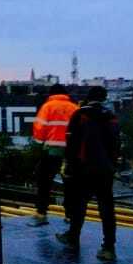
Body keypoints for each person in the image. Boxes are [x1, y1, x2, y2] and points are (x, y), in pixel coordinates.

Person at [57, 86, 121, 261]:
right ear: (105, 98)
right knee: (107, 208)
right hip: (106, 170)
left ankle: (72, 237)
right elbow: (116, 144)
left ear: (88, 98)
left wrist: (68, 165)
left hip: (84, 168)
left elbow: (71, 144)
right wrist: (112, 166)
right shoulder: (111, 116)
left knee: (79, 205)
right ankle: (109, 247)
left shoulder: (80, 115)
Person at [29, 85, 78, 226]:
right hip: (71, 152)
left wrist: (39, 143)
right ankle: (70, 215)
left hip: (52, 150)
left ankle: (41, 213)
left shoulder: (48, 107)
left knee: (44, 180)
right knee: (70, 183)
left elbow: (39, 127)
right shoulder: (74, 108)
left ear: (51, 94)